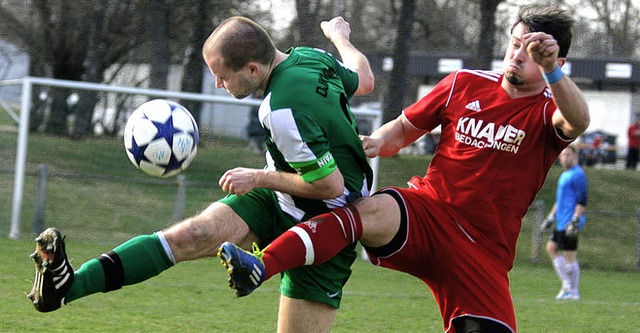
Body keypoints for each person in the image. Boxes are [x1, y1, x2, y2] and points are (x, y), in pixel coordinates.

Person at [218, 5, 590, 333]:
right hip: (428, 213)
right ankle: (261, 266)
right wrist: (378, 141)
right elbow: (404, 129)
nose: (517, 55)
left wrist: (552, 73)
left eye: (532, 52)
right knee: (368, 210)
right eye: (515, 44)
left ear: (557, 64)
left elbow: (577, 122)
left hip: (482, 250)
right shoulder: (464, 83)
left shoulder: (547, 108)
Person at [27, 16, 375, 333]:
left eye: (222, 76)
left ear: (253, 69)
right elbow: (364, 80)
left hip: (327, 222)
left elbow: (330, 185)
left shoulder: (280, 108)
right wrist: (340, 38)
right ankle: (66, 287)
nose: (218, 84)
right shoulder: (311, 56)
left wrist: (257, 178)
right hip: (280, 196)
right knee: (193, 234)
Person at [541, 145, 588, 300]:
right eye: (562, 155)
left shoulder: (578, 174)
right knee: (551, 248)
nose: (565, 158)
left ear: (575, 156)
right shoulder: (564, 175)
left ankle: (573, 291)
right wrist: (550, 217)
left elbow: (582, 199)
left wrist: (575, 219)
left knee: (569, 254)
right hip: (561, 220)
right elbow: (559, 200)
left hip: (570, 221)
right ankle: (567, 285)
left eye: (568, 154)